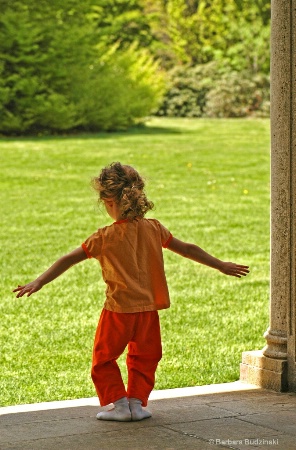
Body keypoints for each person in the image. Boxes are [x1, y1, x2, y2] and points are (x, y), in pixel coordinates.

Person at [13, 162, 249, 422]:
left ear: (109, 201)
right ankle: (136, 403)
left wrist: (39, 282)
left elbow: (68, 259)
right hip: (148, 310)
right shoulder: (154, 229)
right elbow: (188, 248)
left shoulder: (103, 237)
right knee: (145, 357)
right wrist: (221, 265)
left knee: (104, 358)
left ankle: (119, 405)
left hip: (118, 311)